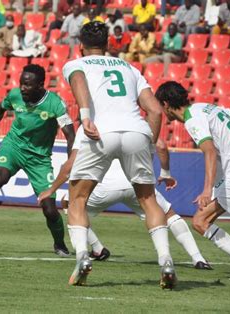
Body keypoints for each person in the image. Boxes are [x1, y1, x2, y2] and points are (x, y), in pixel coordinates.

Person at [62, 21, 176, 289]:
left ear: (80, 46)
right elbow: (157, 111)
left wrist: (86, 116)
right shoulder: (129, 67)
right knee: (149, 200)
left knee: (77, 199)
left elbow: (78, 81)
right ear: (108, 45)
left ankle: (82, 257)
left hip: (101, 132)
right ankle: (166, 259)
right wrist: (149, 143)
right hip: (136, 130)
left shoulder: (76, 64)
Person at [39, 134, 212, 270]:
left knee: (71, 203)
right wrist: (165, 173)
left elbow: (70, 164)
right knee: (169, 215)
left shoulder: (92, 124)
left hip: (104, 187)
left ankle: (96, 249)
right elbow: (161, 146)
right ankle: (196, 258)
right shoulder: (138, 123)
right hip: (135, 184)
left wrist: (52, 189)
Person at [0, 64, 76, 257]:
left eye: (28, 85)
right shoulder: (15, 95)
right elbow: (0, 109)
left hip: (39, 158)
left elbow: (70, 135)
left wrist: (71, 162)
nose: (22, 88)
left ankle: (59, 244)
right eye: (21, 83)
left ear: (41, 85)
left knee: (49, 209)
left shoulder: (55, 104)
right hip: (14, 146)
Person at [155, 81, 230, 281]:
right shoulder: (205, 107)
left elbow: (210, 151)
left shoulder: (192, 119)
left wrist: (207, 190)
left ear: (166, 104)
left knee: (200, 221)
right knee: (203, 220)